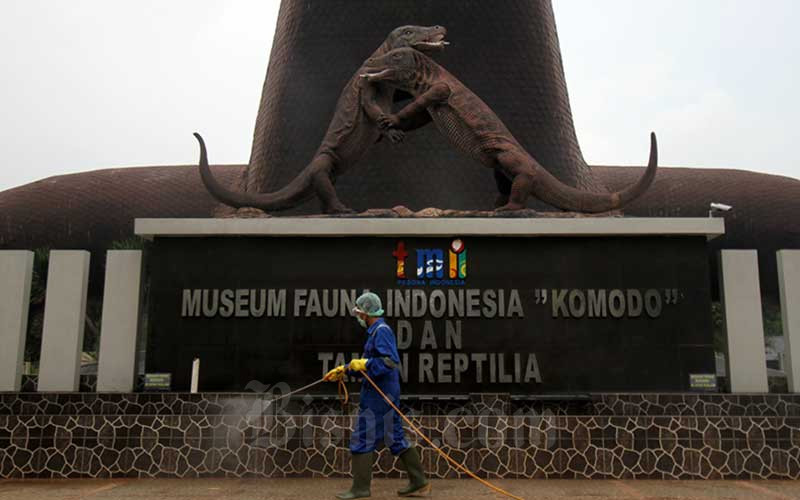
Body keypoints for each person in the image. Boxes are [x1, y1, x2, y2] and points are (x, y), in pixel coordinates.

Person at [324, 292, 429, 499]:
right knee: (394, 436)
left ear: (365, 313)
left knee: (363, 435)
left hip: (379, 396)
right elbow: (369, 364)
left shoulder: (381, 331)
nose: (358, 317)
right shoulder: (375, 332)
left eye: (359, 313)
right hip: (385, 392)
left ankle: (360, 488)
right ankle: (419, 481)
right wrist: (345, 369)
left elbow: (389, 361)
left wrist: (364, 363)